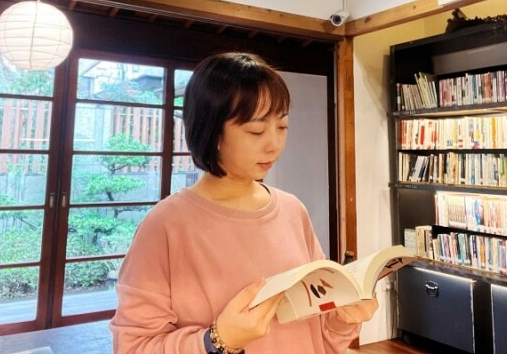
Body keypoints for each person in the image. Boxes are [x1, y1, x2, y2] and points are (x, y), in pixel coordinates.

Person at [110, 52, 378, 353]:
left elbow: (318, 337)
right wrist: (217, 340)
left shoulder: (292, 210)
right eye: (256, 130)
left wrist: (343, 319)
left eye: (282, 127)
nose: (274, 144)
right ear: (212, 131)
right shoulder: (165, 225)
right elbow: (133, 347)